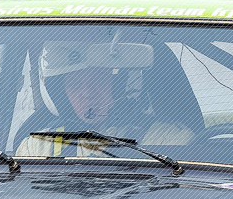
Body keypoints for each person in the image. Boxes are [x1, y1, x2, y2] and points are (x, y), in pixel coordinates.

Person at [15, 41, 192, 156]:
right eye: (75, 84)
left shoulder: (168, 140)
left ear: (121, 85)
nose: (87, 93)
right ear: (61, 94)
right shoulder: (37, 147)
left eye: (98, 80)